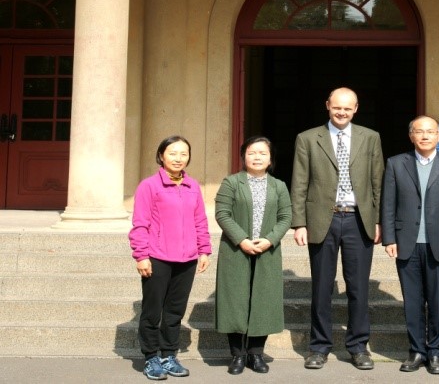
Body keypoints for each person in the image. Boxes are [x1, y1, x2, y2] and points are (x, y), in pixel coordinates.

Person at [290, 87, 384, 370]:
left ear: (356, 108)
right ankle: (319, 347)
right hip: (323, 219)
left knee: (358, 288)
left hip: (358, 219)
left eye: (347, 108)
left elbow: (377, 182)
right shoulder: (308, 138)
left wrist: (378, 220)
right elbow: (299, 183)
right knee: (321, 287)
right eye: (337, 107)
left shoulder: (370, 137)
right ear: (327, 106)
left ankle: (358, 346)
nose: (341, 112)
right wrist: (299, 222)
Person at [381, 115, 439, 375]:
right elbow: (388, 203)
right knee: (413, 302)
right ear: (411, 136)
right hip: (406, 242)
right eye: (419, 131)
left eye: (430, 131)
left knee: (438, 301)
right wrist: (389, 237)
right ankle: (416, 351)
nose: (425, 136)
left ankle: (436, 353)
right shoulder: (396, 164)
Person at [128, 135, 212, 381]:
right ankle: (151, 357)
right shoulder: (149, 186)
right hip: (157, 257)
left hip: (186, 259)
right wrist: (141, 255)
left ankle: (168, 355)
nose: (178, 158)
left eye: (183, 153)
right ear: (162, 155)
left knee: (175, 311)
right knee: (153, 311)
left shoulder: (193, 186)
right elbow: (140, 224)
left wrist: (204, 249)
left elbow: (200, 221)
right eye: (173, 153)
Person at [214, 136, 292, 375]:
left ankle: (256, 354)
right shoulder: (231, 182)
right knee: (234, 301)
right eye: (251, 153)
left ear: (270, 159)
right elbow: (222, 214)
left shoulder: (279, 186)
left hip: (267, 250)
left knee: (264, 301)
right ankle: (237, 355)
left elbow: (286, 217)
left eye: (262, 153)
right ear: (243, 156)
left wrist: (270, 239)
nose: (256, 157)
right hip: (236, 250)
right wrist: (243, 240)